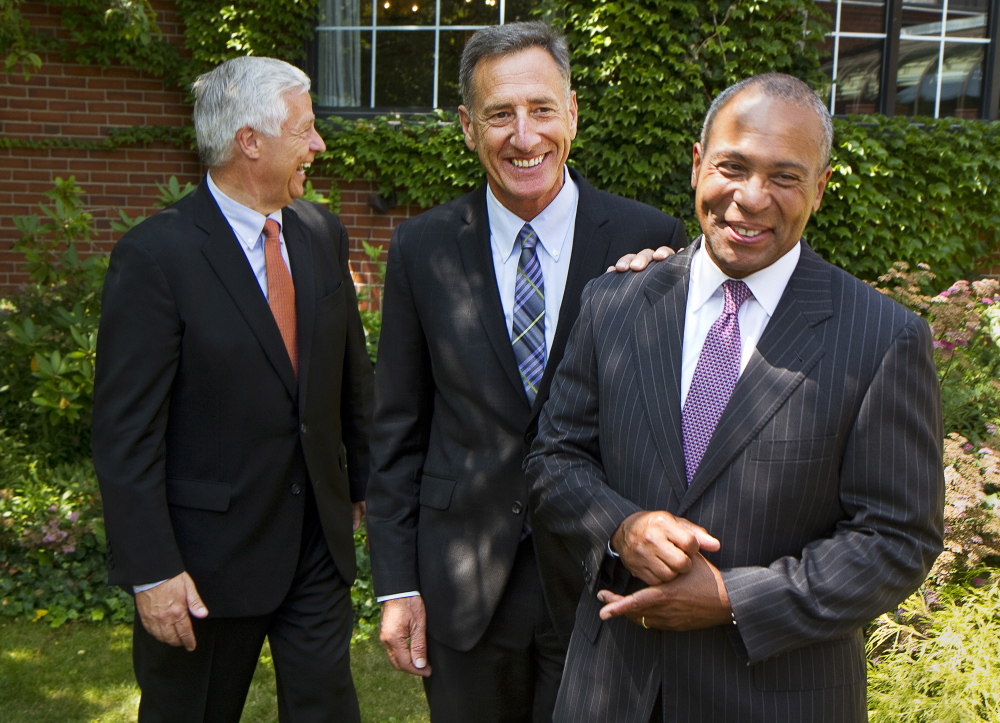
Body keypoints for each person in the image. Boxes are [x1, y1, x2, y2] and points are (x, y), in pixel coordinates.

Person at [525, 72, 945, 723]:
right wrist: (620, 526)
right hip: (612, 690)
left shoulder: (882, 338)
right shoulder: (614, 302)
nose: (751, 198)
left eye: (784, 176)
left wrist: (733, 597)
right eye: (733, 166)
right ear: (698, 166)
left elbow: (898, 538)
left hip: (779, 698)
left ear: (820, 187)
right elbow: (554, 460)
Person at [365, 21, 686, 723]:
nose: (524, 135)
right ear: (466, 127)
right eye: (499, 115)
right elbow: (396, 431)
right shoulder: (421, 248)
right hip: (464, 583)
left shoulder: (648, 240)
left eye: (541, 109)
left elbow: (677, 417)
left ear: (572, 111)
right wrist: (395, 585)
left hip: (601, 581)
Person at [91, 56, 373, 723]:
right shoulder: (154, 256)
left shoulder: (319, 233)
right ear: (250, 140)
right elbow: (125, 432)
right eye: (305, 130)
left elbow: (349, 374)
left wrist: (361, 485)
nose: (318, 145)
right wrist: (153, 571)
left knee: (328, 709)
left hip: (314, 545)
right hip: (203, 563)